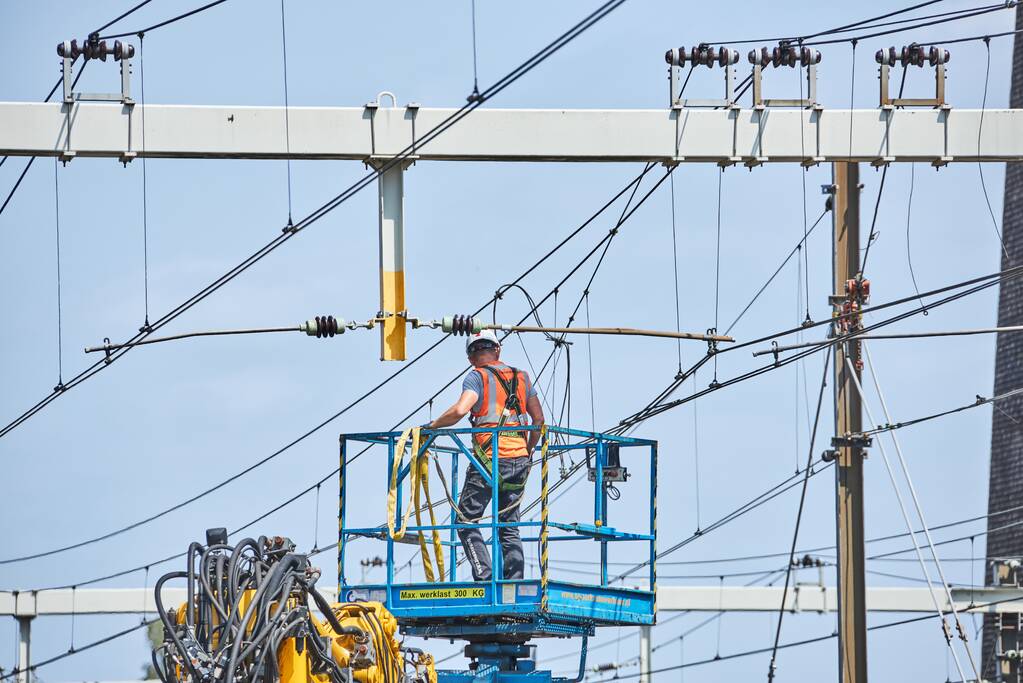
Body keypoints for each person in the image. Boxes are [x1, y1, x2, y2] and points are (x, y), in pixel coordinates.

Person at [426, 329, 545, 581]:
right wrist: (529, 448)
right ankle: (514, 583)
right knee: (509, 525)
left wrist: (433, 425)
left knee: (466, 522)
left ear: (470, 357)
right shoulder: (521, 377)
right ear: (498, 349)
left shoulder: (476, 377)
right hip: (519, 459)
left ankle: (484, 578)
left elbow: (460, 410)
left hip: (488, 460)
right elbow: (539, 419)